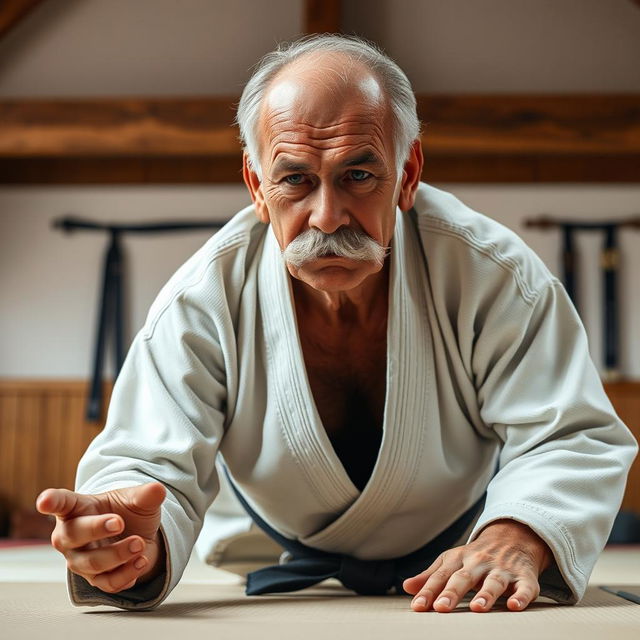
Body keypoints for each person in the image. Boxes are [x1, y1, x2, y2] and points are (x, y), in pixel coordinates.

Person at [37, 34, 637, 614]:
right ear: (256, 186)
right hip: (265, 554)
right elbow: (144, 463)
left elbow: (569, 434)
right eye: (295, 179)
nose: (327, 216)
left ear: (406, 175)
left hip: (470, 559)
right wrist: (124, 541)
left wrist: (521, 532)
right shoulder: (203, 299)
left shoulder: (494, 276)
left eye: (358, 175)